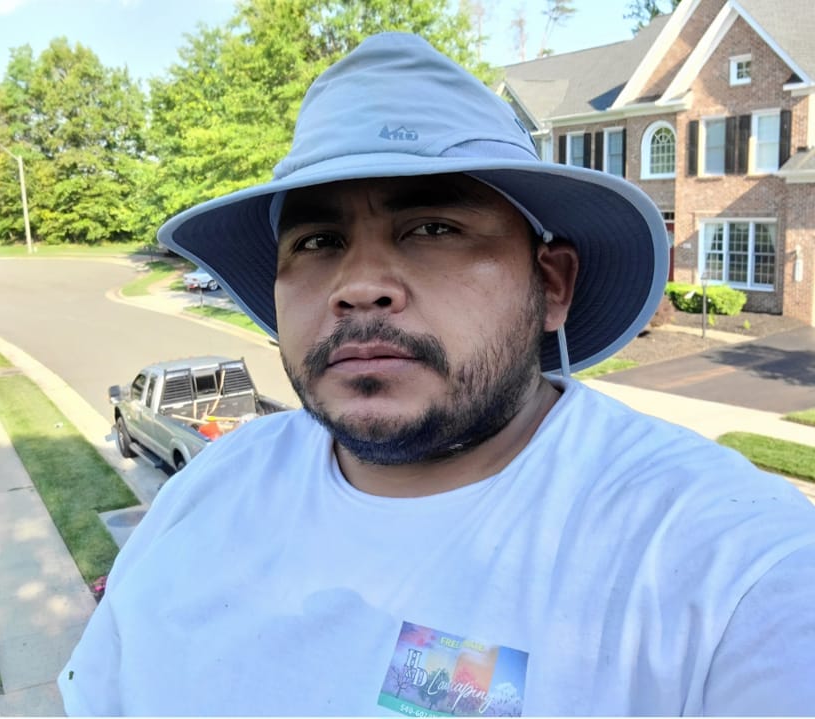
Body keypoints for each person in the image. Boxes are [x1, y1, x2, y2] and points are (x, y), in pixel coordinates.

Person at [59, 32, 815, 716]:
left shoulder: (727, 570)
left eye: (432, 228)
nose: (359, 284)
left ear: (551, 284)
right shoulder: (206, 493)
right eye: (318, 240)